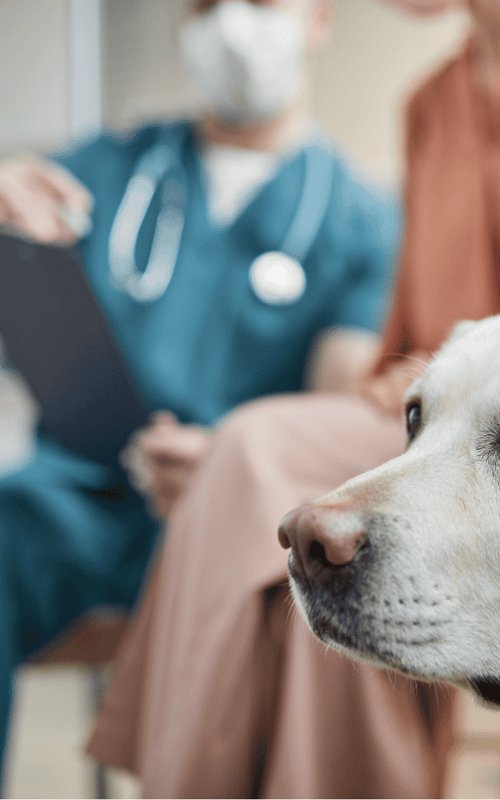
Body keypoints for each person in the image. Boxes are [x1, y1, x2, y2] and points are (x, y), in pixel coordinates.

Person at [87, 0, 500, 796]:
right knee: (259, 481)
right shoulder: (429, 104)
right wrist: (269, 456)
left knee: (254, 455)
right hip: (426, 424)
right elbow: (409, 352)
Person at [0, 0, 404, 788]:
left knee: (294, 618)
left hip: (235, 523)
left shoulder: (361, 222)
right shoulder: (109, 169)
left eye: (258, 4)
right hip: (77, 506)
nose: (230, 27)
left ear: (318, 18)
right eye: (206, 5)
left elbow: (333, 415)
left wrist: (226, 463)